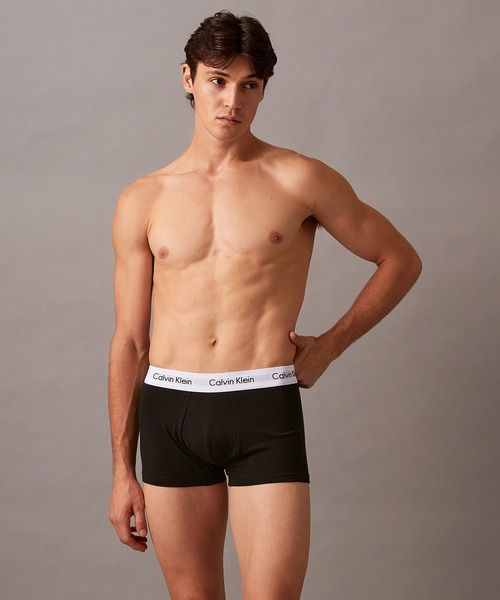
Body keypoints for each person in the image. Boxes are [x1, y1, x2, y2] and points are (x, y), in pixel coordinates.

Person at [107, 10, 422, 600]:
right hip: (171, 412)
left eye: (249, 85)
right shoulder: (143, 199)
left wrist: (331, 345)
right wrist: (122, 470)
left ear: (263, 90)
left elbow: (400, 259)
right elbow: (129, 341)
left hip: (261, 406)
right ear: (188, 78)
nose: (233, 101)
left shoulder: (299, 178)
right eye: (218, 80)